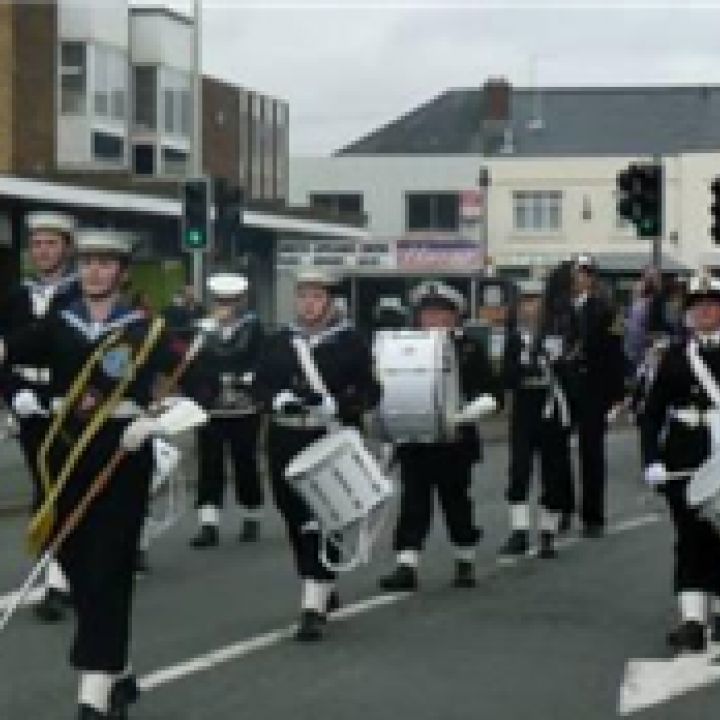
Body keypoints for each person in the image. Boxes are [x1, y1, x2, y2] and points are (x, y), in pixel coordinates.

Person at [0, 229, 203, 719]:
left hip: (122, 456)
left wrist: (154, 421)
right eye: (88, 261)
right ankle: (118, 667)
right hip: (64, 455)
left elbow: (204, 385)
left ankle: (93, 694)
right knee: (75, 565)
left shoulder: (146, 330)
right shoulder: (58, 324)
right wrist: (16, 397)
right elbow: (6, 356)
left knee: (109, 569)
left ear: (122, 271)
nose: (95, 270)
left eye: (105, 263)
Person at [253, 269, 381, 642]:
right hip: (286, 436)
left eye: (317, 297)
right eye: (303, 296)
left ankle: (313, 605)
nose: (309, 304)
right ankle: (320, 579)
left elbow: (372, 390)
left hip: (330, 436)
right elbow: (260, 381)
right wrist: (276, 398)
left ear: (330, 302)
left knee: (326, 514)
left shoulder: (350, 343)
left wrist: (338, 404)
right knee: (293, 514)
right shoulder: (278, 341)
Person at [378, 280, 500, 591]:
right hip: (415, 439)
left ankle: (464, 559)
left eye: (441, 314)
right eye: (427, 314)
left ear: (455, 316)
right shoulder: (404, 348)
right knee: (413, 501)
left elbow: (492, 394)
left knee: (455, 501)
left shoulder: (469, 349)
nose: (433, 320)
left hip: (454, 440)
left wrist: (461, 416)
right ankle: (406, 564)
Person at [0, 210, 80, 622]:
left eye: (51, 243)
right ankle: (55, 568)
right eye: (36, 244)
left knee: (68, 484)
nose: (43, 251)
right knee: (45, 484)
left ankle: (61, 577)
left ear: (67, 248)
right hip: (30, 401)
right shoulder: (16, 296)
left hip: (71, 402)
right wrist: (15, 396)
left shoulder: (82, 295)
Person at [643, 272, 720, 653]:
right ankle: (692, 620)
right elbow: (653, 412)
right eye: (698, 305)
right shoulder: (674, 356)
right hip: (685, 453)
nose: (705, 311)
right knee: (689, 538)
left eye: (712, 304)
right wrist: (651, 458)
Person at [190, 272, 265, 548]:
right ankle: (208, 523)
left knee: (244, 461)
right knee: (209, 463)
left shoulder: (253, 326)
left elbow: (260, 359)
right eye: (222, 300)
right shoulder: (202, 329)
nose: (226, 306)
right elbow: (192, 364)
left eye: (232, 301)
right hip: (211, 406)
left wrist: (249, 379)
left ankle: (251, 515)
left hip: (244, 406)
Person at [499, 278, 573, 559]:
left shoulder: (556, 337)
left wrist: (554, 364)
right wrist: (522, 367)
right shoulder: (514, 339)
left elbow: (567, 375)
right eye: (525, 301)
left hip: (552, 407)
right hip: (525, 408)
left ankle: (548, 532)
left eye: (535, 301)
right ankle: (519, 531)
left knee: (553, 472)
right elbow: (506, 378)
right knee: (519, 469)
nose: (530, 307)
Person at [566, 254, 625, 537]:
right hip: (563, 388)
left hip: (593, 387)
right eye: (578, 273)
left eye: (587, 273)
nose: (582, 278)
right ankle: (559, 510)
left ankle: (592, 516)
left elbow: (615, 353)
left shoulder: (606, 310)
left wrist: (617, 394)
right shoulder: (559, 309)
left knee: (591, 453)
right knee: (557, 453)